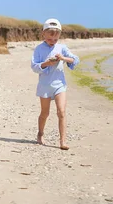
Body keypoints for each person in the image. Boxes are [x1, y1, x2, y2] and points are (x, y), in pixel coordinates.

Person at [30, 18, 80, 150]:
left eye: (56, 39)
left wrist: (63, 58)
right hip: (45, 85)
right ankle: (40, 133)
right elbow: (34, 67)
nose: (53, 41)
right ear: (43, 35)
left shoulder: (62, 48)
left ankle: (62, 141)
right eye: (50, 39)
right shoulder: (39, 49)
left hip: (59, 85)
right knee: (45, 113)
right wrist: (47, 63)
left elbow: (75, 60)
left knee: (61, 112)